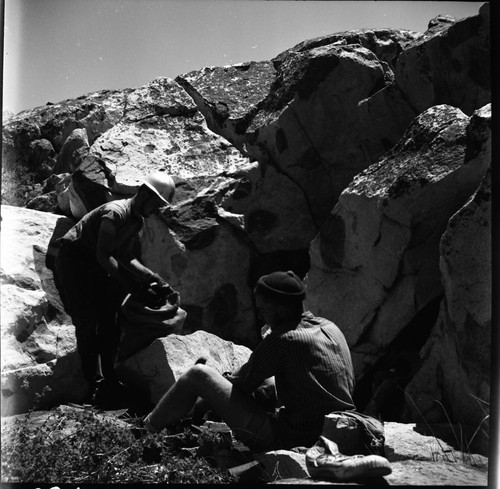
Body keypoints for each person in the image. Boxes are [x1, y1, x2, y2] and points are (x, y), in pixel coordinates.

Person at [143, 270, 356, 451]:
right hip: (340, 432)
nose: (260, 317)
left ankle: (145, 430)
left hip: (294, 439)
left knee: (198, 375)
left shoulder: (283, 338)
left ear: (280, 310)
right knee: (268, 383)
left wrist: (202, 401)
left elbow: (241, 383)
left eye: (263, 310)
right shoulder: (329, 327)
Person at [54, 172, 176, 403]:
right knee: (87, 320)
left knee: (110, 320)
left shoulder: (136, 220)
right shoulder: (116, 213)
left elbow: (125, 255)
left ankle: (110, 378)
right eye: (157, 204)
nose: (156, 210)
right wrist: (132, 285)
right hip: (74, 259)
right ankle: (94, 383)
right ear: (146, 195)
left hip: (95, 262)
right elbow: (104, 256)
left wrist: (153, 278)